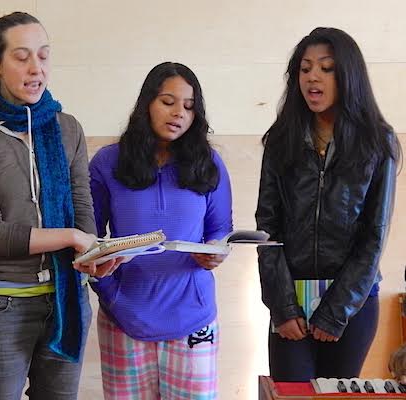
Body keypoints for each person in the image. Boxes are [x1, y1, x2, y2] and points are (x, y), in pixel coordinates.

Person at [0, 12, 120, 400]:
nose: (35, 68)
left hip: (65, 300)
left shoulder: (67, 127)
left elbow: (81, 204)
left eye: (43, 56)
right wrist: (72, 236)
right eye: (21, 57)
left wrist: (93, 252)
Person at [256, 27, 400, 381]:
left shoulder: (378, 143)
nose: (312, 77)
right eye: (305, 69)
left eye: (326, 67)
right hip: (292, 301)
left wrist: (336, 311)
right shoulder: (281, 139)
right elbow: (267, 228)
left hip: (351, 304)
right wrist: (283, 306)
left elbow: (374, 235)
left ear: (347, 74)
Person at [89, 62, 232, 399]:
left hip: (193, 319)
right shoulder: (107, 162)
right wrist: (112, 295)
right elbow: (89, 242)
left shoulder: (209, 162)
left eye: (188, 106)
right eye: (168, 102)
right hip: (123, 319)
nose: (179, 113)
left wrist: (215, 251)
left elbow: (220, 229)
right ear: (147, 104)